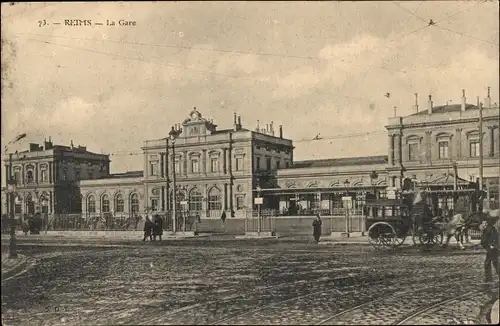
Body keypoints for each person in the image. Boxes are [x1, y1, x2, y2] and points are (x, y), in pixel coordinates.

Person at [481, 215, 499, 283]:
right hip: (490, 248)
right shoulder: (486, 229)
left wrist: (493, 245)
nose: (483, 224)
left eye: (484, 223)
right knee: (489, 263)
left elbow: (495, 237)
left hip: (493, 248)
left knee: (493, 263)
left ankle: (489, 278)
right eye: (482, 223)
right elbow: (484, 239)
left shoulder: (491, 228)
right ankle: (488, 278)